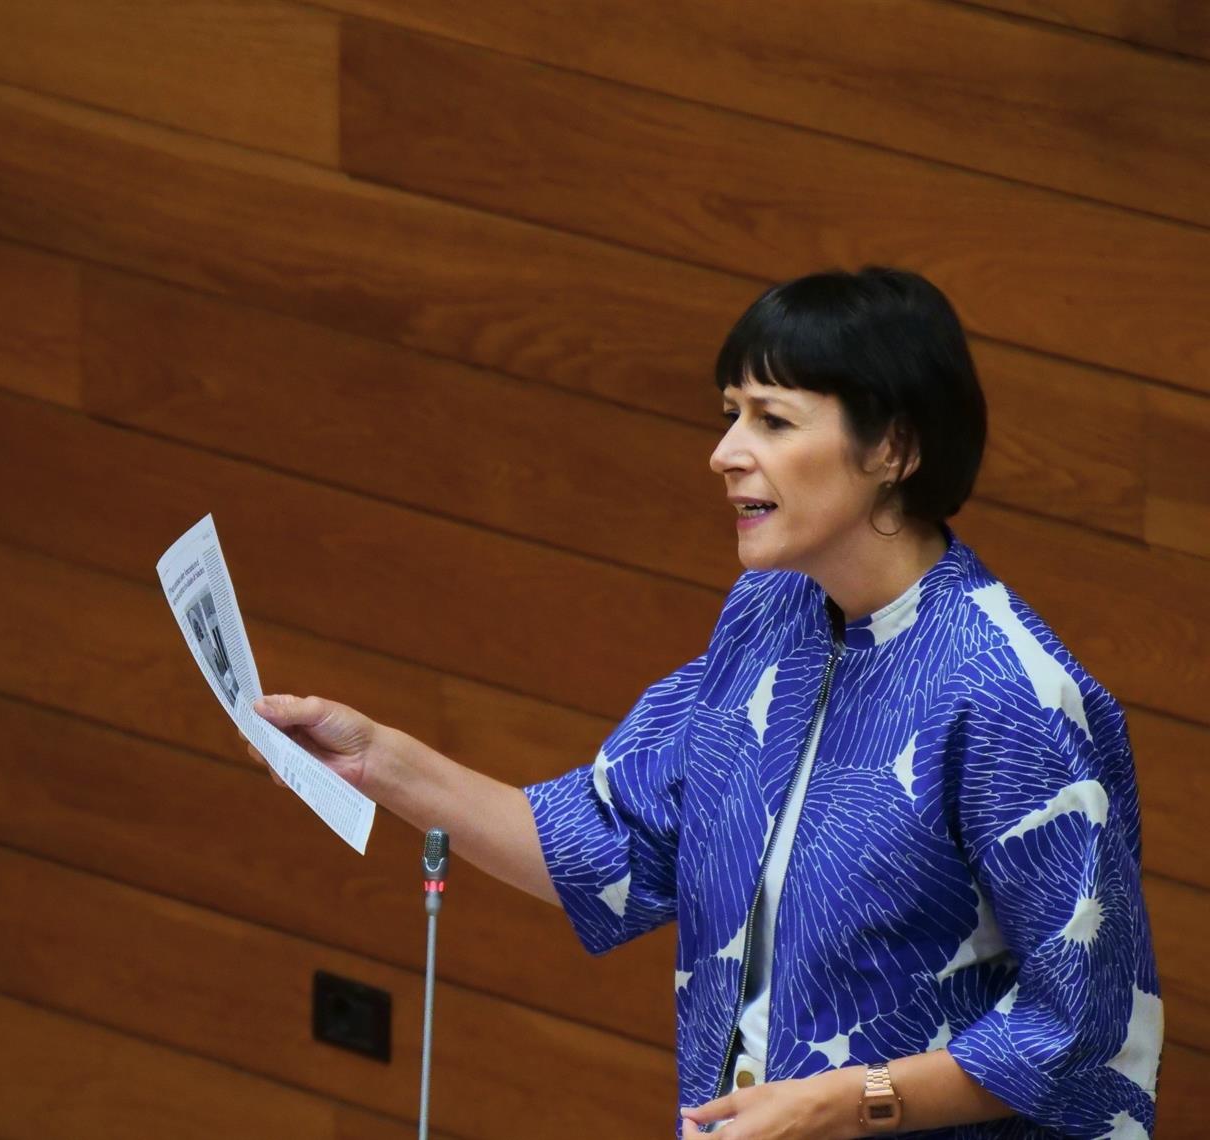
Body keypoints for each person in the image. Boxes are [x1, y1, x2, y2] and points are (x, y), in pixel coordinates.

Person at [247, 268, 1163, 1139]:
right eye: (732, 415)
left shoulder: (1011, 697)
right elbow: (608, 845)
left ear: (894, 447)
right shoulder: (770, 617)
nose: (725, 454)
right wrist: (377, 760)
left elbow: (1086, 1028)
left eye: (771, 419)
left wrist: (846, 1104)